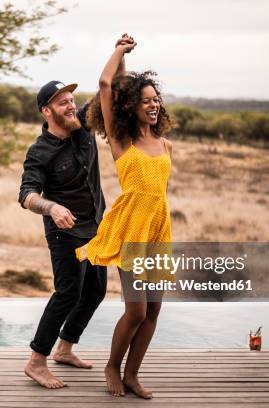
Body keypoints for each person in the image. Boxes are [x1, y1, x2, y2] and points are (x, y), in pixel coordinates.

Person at [76, 34, 177, 399]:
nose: (152, 105)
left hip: (157, 230)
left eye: (156, 100)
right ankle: (111, 367)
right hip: (132, 227)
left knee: (153, 311)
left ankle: (133, 375)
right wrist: (121, 51)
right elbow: (107, 85)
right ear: (130, 106)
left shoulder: (164, 143)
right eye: (145, 100)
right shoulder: (122, 140)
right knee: (135, 310)